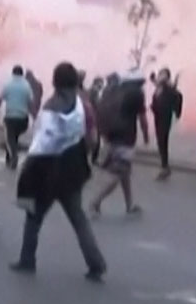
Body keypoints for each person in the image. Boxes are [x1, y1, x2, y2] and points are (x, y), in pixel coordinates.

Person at [11, 62, 105, 281]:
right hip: (74, 170)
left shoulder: (50, 107)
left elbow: (40, 143)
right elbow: (92, 140)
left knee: (33, 217)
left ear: (55, 81)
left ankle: (27, 260)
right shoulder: (85, 106)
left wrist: (27, 169)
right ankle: (96, 264)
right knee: (78, 219)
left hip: (46, 171)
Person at [90, 70, 148, 217]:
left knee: (124, 172)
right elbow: (142, 117)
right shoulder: (136, 94)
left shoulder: (110, 91)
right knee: (117, 173)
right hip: (126, 137)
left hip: (110, 135)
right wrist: (146, 136)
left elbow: (99, 111)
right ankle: (95, 202)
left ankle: (130, 205)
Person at [0, 65, 35, 170]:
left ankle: (14, 157)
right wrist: (34, 116)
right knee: (14, 138)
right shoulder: (27, 86)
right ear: (22, 74)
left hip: (10, 117)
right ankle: (9, 158)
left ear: (13, 73)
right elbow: (30, 103)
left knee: (10, 138)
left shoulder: (8, 84)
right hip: (23, 119)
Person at [149, 68, 183, 178]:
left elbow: (178, 96)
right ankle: (164, 165)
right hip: (158, 117)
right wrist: (153, 106)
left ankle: (165, 167)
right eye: (160, 74)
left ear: (167, 77)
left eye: (163, 75)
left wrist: (177, 112)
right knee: (160, 141)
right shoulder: (159, 88)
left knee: (162, 140)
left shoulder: (169, 88)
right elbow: (155, 99)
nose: (161, 76)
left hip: (165, 117)